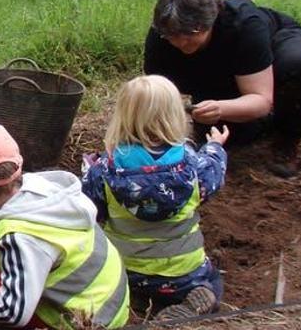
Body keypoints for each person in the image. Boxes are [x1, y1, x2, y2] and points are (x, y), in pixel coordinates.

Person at [0, 119, 130, 329]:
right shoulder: (43, 187)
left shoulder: (19, 238)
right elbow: (36, 222)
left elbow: (13, 312)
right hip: (110, 301)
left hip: (88, 323)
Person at [81, 75, 229, 321]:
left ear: (122, 116)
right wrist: (215, 146)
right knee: (213, 280)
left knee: (112, 275)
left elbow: (91, 211)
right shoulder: (194, 166)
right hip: (184, 276)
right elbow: (215, 173)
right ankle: (198, 298)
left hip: (124, 273)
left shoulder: (104, 170)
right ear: (175, 116)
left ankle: (135, 300)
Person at [144, 0, 301, 177]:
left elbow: (261, 100)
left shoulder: (244, 26)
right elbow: (155, 94)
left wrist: (221, 108)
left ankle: (288, 137)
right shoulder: (161, 36)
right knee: (235, 137)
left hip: (274, 47)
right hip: (223, 71)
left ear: (210, 20)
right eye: (173, 36)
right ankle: (263, 123)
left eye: (191, 33)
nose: (181, 43)